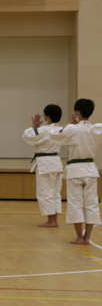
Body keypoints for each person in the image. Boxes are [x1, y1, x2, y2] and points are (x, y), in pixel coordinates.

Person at [50, 98, 102, 245]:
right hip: (91, 169)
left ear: (77, 113)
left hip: (75, 170)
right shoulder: (96, 128)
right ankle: (87, 237)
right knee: (91, 203)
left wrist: (69, 123)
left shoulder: (72, 129)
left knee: (76, 203)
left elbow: (54, 135)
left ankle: (79, 237)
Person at [22, 105, 64, 227]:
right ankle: (54, 220)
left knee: (46, 191)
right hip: (56, 161)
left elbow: (27, 136)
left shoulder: (45, 130)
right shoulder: (60, 129)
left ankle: (51, 221)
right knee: (55, 192)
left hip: (46, 163)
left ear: (47, 117)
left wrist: (33, 126)